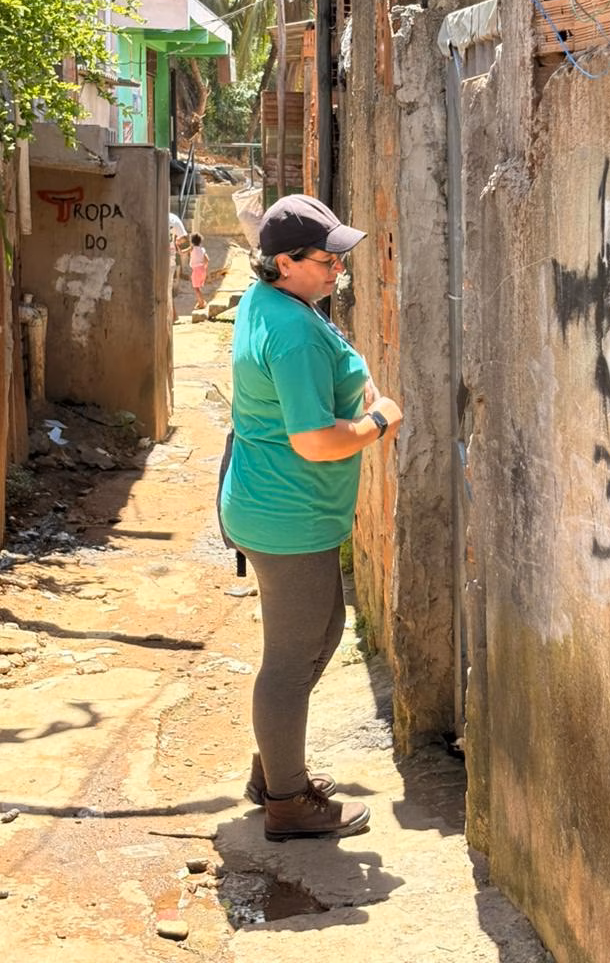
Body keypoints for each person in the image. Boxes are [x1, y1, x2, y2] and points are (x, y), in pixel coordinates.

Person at [219, 194, 403, 842]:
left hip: (284, 508)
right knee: (293, 659)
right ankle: (288, 802)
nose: (337, 271)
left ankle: (276, 766)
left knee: (322, 633)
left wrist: (360, 382)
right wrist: (378, 420)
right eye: (327, 260)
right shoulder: (293, 330)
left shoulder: (276, 304)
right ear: (285, 262)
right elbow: (315, 441)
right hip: (286, 515)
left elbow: (330, 362)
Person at [189, 232, 209, 310]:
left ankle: (202, 303)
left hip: (196, 270)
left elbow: (183, 252)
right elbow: (207, 260)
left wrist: (178, 248)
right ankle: (200, 302)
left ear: (192, 241)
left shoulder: (192, 248)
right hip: (202, 269)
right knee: (198, 287)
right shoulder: (202, 249)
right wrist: (205, 268)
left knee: (196, 288)